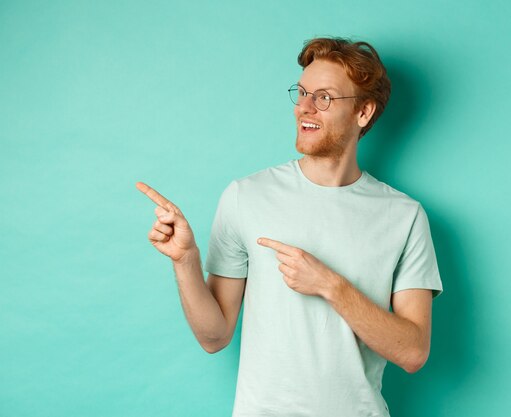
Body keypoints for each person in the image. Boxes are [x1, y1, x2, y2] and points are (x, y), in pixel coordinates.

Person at [137, 37, 443, 417]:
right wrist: (185, 260)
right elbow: (214, 337)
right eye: (301, 92)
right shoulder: (245, 196)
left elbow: (413, 352)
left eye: (324, 97)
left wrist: (331, 286)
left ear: (363, 113)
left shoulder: (404, 216)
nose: (304, 107)